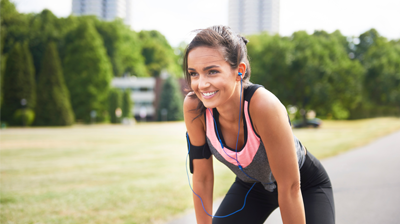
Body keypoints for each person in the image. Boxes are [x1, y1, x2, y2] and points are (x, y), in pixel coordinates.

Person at [183, 25, 335, 224]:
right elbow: (202, 177)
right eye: (194, 73)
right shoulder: (195, 107)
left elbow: (290, 187)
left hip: (304, 184)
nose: (201, 84)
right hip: (251, 187)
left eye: (212, 72)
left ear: (239, 70)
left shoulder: (263, 105)